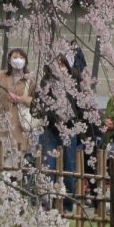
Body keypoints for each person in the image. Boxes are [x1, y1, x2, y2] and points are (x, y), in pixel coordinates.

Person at [37, 54, 83, 212]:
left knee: (69, 166)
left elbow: (80, 108)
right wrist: (53, 117)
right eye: (56, 64)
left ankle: (67, 203)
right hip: (50, 129)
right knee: (48, 165)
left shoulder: (73, 84)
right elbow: (39, 107)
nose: (59, 68)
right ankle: (47, 201)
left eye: (62, 64)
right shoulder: (45, 83)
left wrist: (73, 122)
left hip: (69, 129)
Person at [0, 47, 35, 169]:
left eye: (21, 57)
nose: (18, 60)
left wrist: (19, 99)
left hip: (21, 122)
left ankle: (14, 178)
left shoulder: (30, 80)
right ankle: (3, 178)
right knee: (3, 155)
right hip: (4, 120)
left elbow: (35, 101)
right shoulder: (1, 76)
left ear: (25, 61)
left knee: (17, 156)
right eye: (15, 57)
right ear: (9, 60)